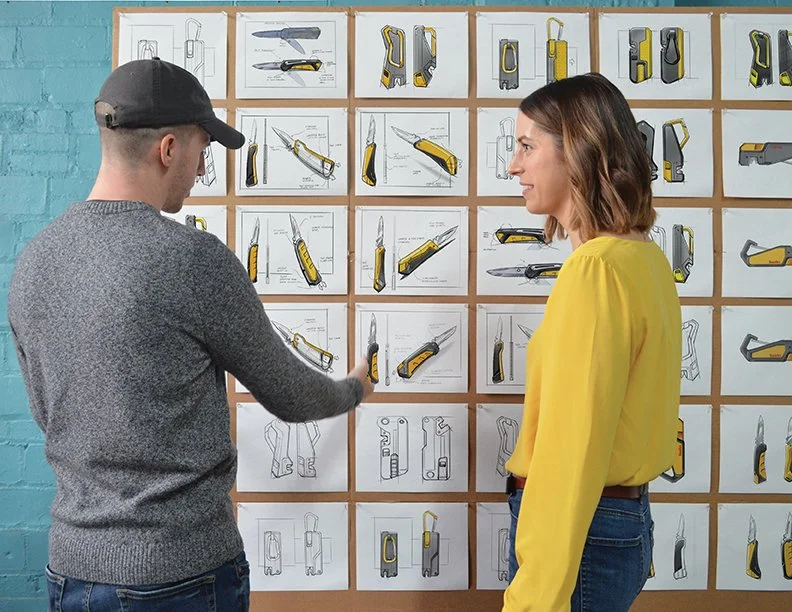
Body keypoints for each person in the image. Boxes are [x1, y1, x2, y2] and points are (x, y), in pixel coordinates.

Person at [7, 58, 374, 611]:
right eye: (204, 149)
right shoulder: (192, 261)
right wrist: (355, 388)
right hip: (180, 578)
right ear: (169, 148)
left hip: (72, 573)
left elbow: (48, 411)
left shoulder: (34, 261)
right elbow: (292, 396)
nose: (203, 169)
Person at [502, 72, 681, 612]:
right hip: (617, 523)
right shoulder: (645, 260)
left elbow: (569, 454)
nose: (514, 166)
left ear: (577, 152)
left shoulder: (596, 271)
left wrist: (532, 602)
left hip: (583, 536)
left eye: (527, 147)